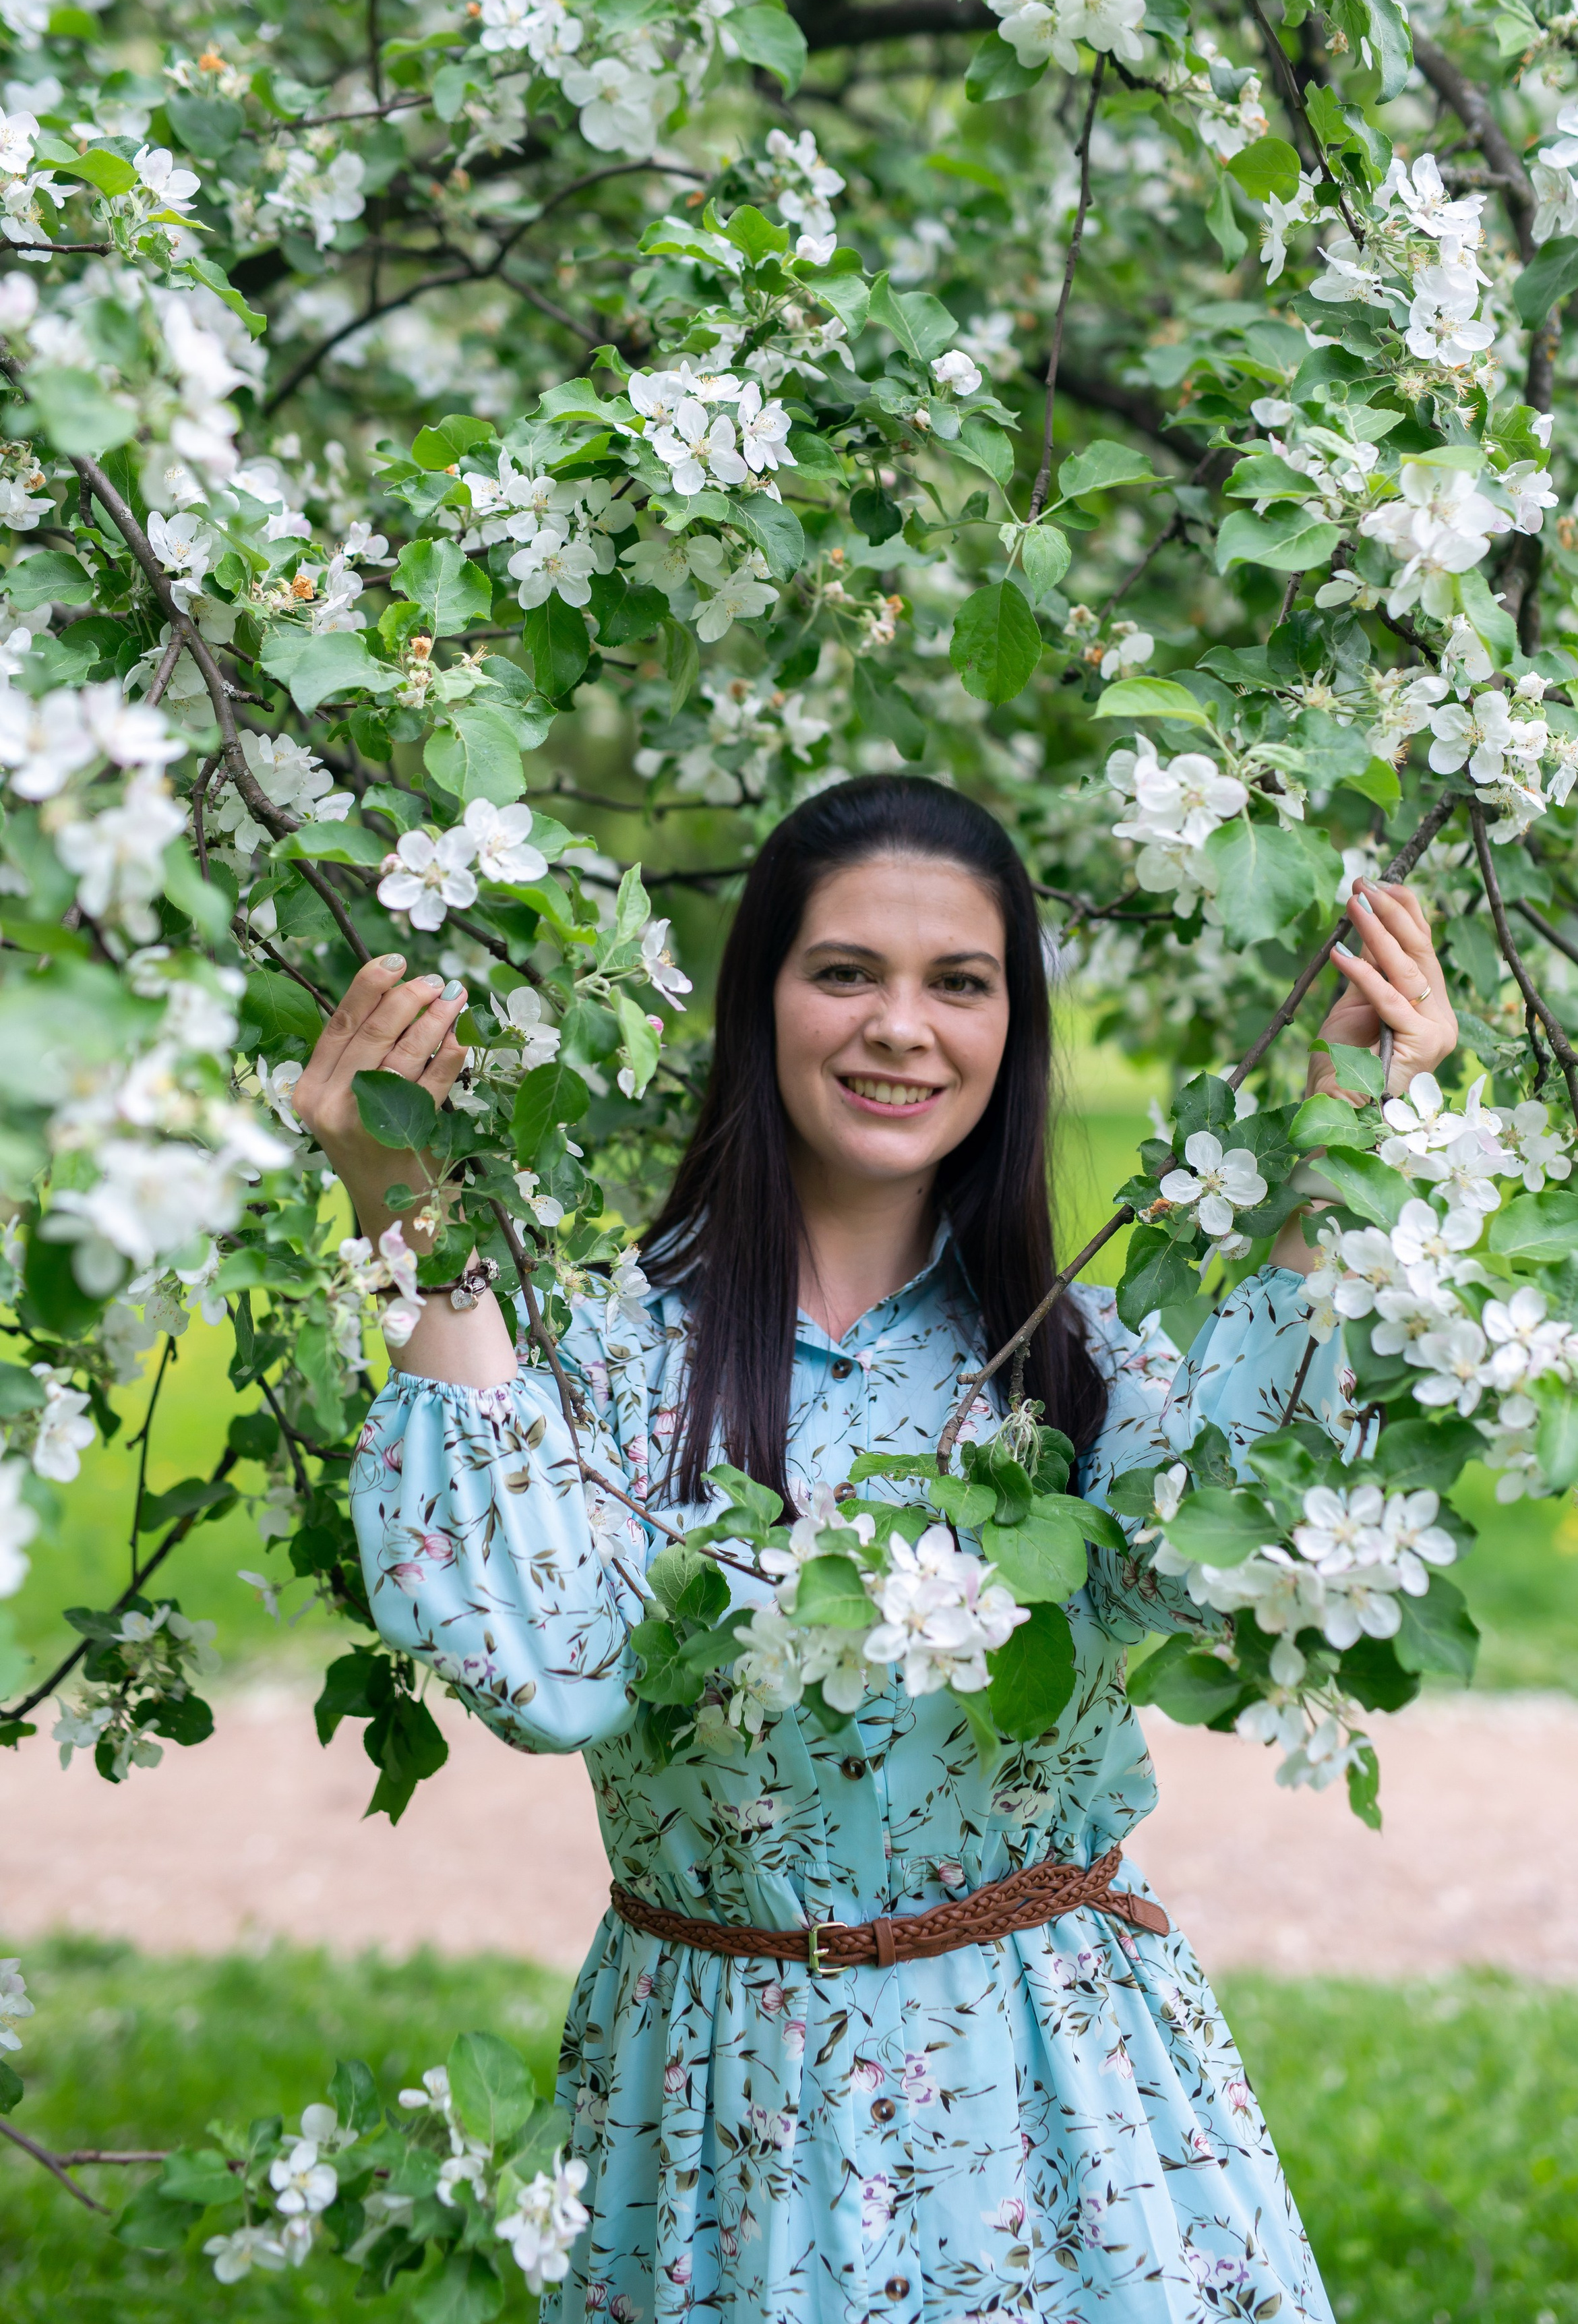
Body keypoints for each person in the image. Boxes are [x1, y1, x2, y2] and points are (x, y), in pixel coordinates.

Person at [297, 775, 1457, 2324]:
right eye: (843, 972)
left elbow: (1218, 1565)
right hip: (718, 2105)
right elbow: (550, 1673)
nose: (899, 1027)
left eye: (956, 984)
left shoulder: (1074, 1360)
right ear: (759, 1003)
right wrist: (405, 1214)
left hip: (1049, 2090)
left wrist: (1332, 1155)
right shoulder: (609, 1354)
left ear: (1009, 1030)